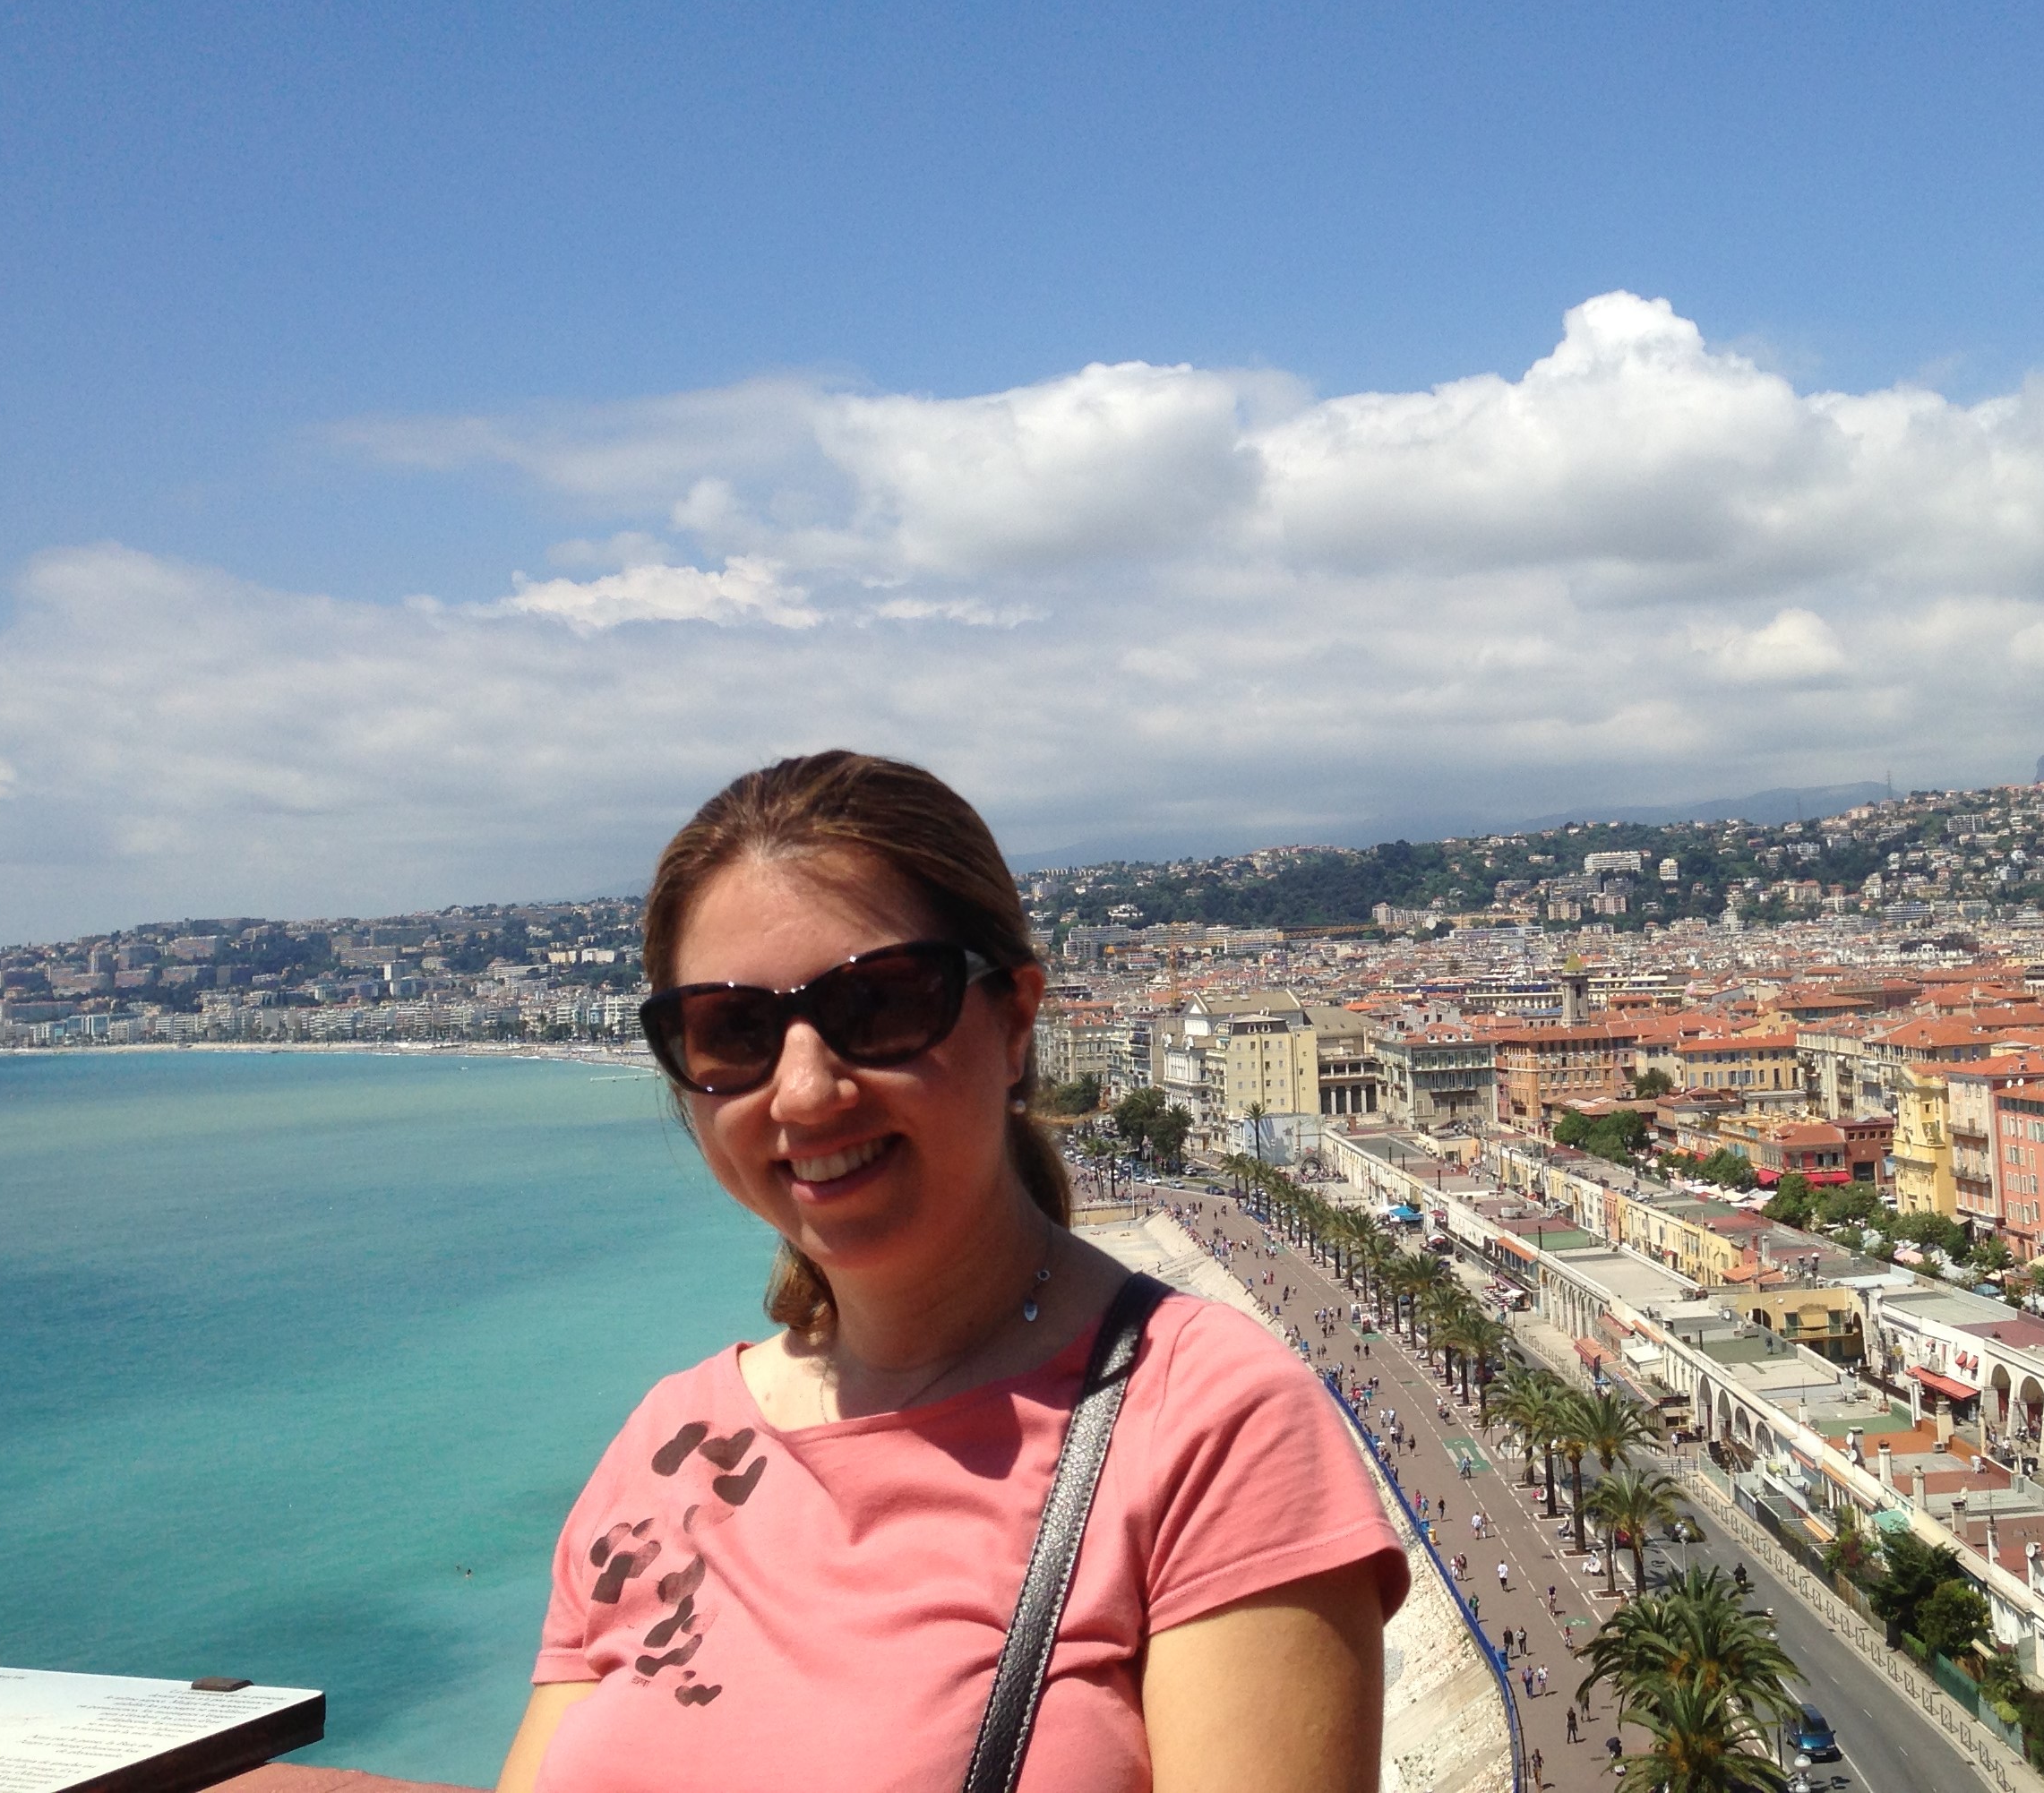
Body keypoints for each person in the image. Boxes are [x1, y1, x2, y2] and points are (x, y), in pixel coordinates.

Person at [497, 754, 1407, 1793]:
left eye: (879, 1004)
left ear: (1015, 1021)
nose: (803, 1090)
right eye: (733, 1030)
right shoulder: (665, 1447)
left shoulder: (1207, 1425)